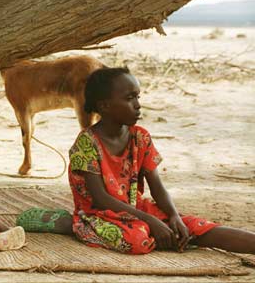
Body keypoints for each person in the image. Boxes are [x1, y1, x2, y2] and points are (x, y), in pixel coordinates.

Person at [68, 66, 255, 254]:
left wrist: (174, 216)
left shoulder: (140, 137)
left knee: (194, 226)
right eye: (129, 98)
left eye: (137, 97)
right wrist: (151, 221)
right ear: (104, 106)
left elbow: (157, 186)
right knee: (137, 240)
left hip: (136, 209)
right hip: (99, 215)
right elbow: (100, 199)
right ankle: (81, 228)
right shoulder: (87, 142)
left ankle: (173, 235)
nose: (138, 105)